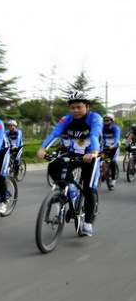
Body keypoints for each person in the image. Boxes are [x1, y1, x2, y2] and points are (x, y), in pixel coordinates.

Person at [37, 91, 103, 237]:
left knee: (88, 188)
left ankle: (88, 223)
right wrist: (43, 148)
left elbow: (94, 134)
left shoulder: (95, 118)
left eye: (79, 107)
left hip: (91, 154)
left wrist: (94, 152)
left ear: (87, 106)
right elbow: (55, 134)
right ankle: (69, 189)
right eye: (72, 107)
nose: (75, 110)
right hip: (74, 153)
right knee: (53, 165)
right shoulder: (66, 119)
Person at [100, 112, 120, 187]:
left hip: (114, 147)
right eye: (104, 120)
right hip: (104, 147)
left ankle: (113, 179)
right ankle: (103, 173)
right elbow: (99, 136)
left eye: (107, 120)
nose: (105, 122)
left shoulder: (115, 128)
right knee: (99, 159)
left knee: (112, 162)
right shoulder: (102, 128)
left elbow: (117, 137)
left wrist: (113, 145)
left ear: (111, 121)